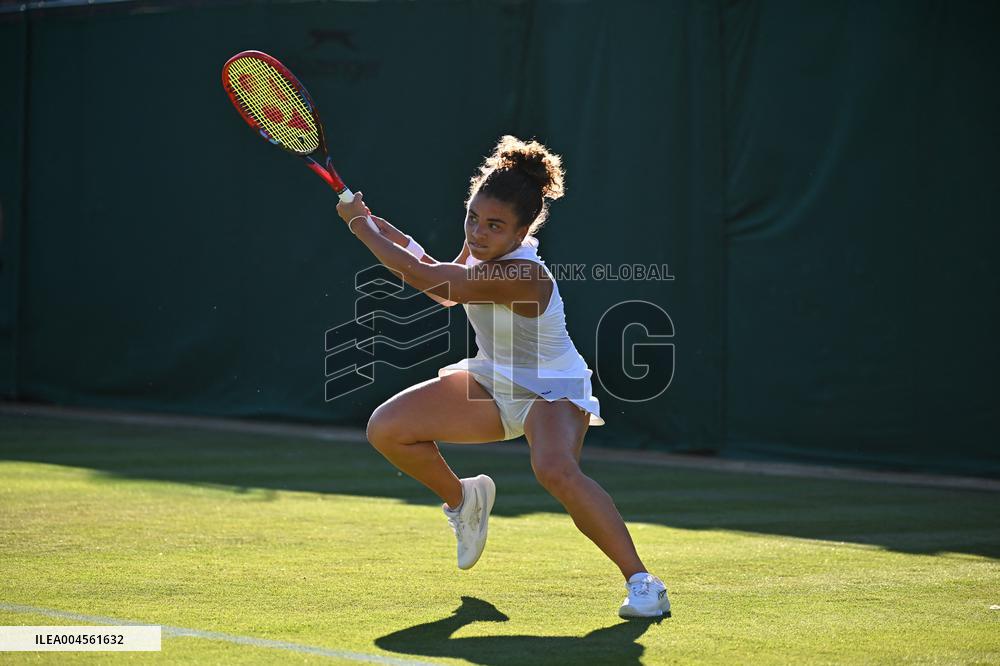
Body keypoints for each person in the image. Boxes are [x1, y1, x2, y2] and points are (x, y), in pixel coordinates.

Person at [335, 135, 670, 619]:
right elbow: (438, 276)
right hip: (493, 382)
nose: (477, 232)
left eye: (494, 225)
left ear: (522, 231)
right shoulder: (480, 252)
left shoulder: (523, 276)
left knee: (554, 470)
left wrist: (359, 229)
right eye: (473, 217)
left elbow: (436, 281)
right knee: (387, 429)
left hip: (551, 389)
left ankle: (644, 583)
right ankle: (464, 499)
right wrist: (374, 224)